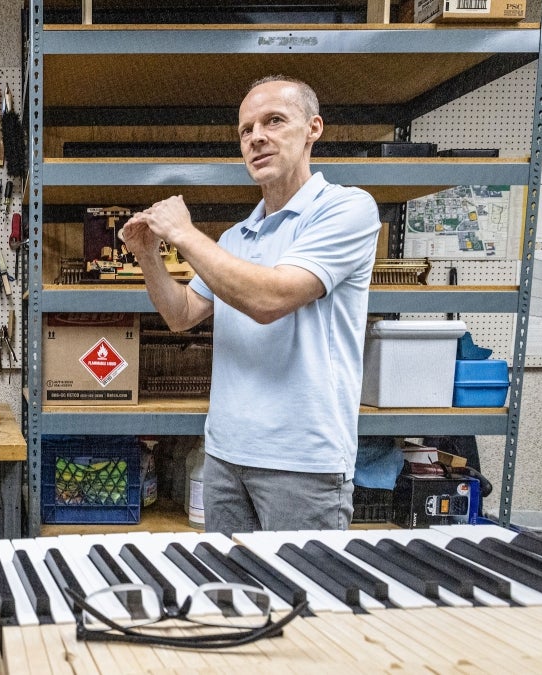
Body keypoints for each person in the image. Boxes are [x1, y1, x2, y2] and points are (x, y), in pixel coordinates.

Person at [120, 75, 381, 535]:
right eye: (246, 129)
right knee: (232, 599)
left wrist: (182, 233)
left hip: (303, 464)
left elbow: (269, 299)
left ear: (313, 129)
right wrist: (147, 256)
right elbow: (181, 314)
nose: (257, 136)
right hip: (225, 458)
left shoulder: (346, 210)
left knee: (305, 600)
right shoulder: (234, 239)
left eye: (274, 121)